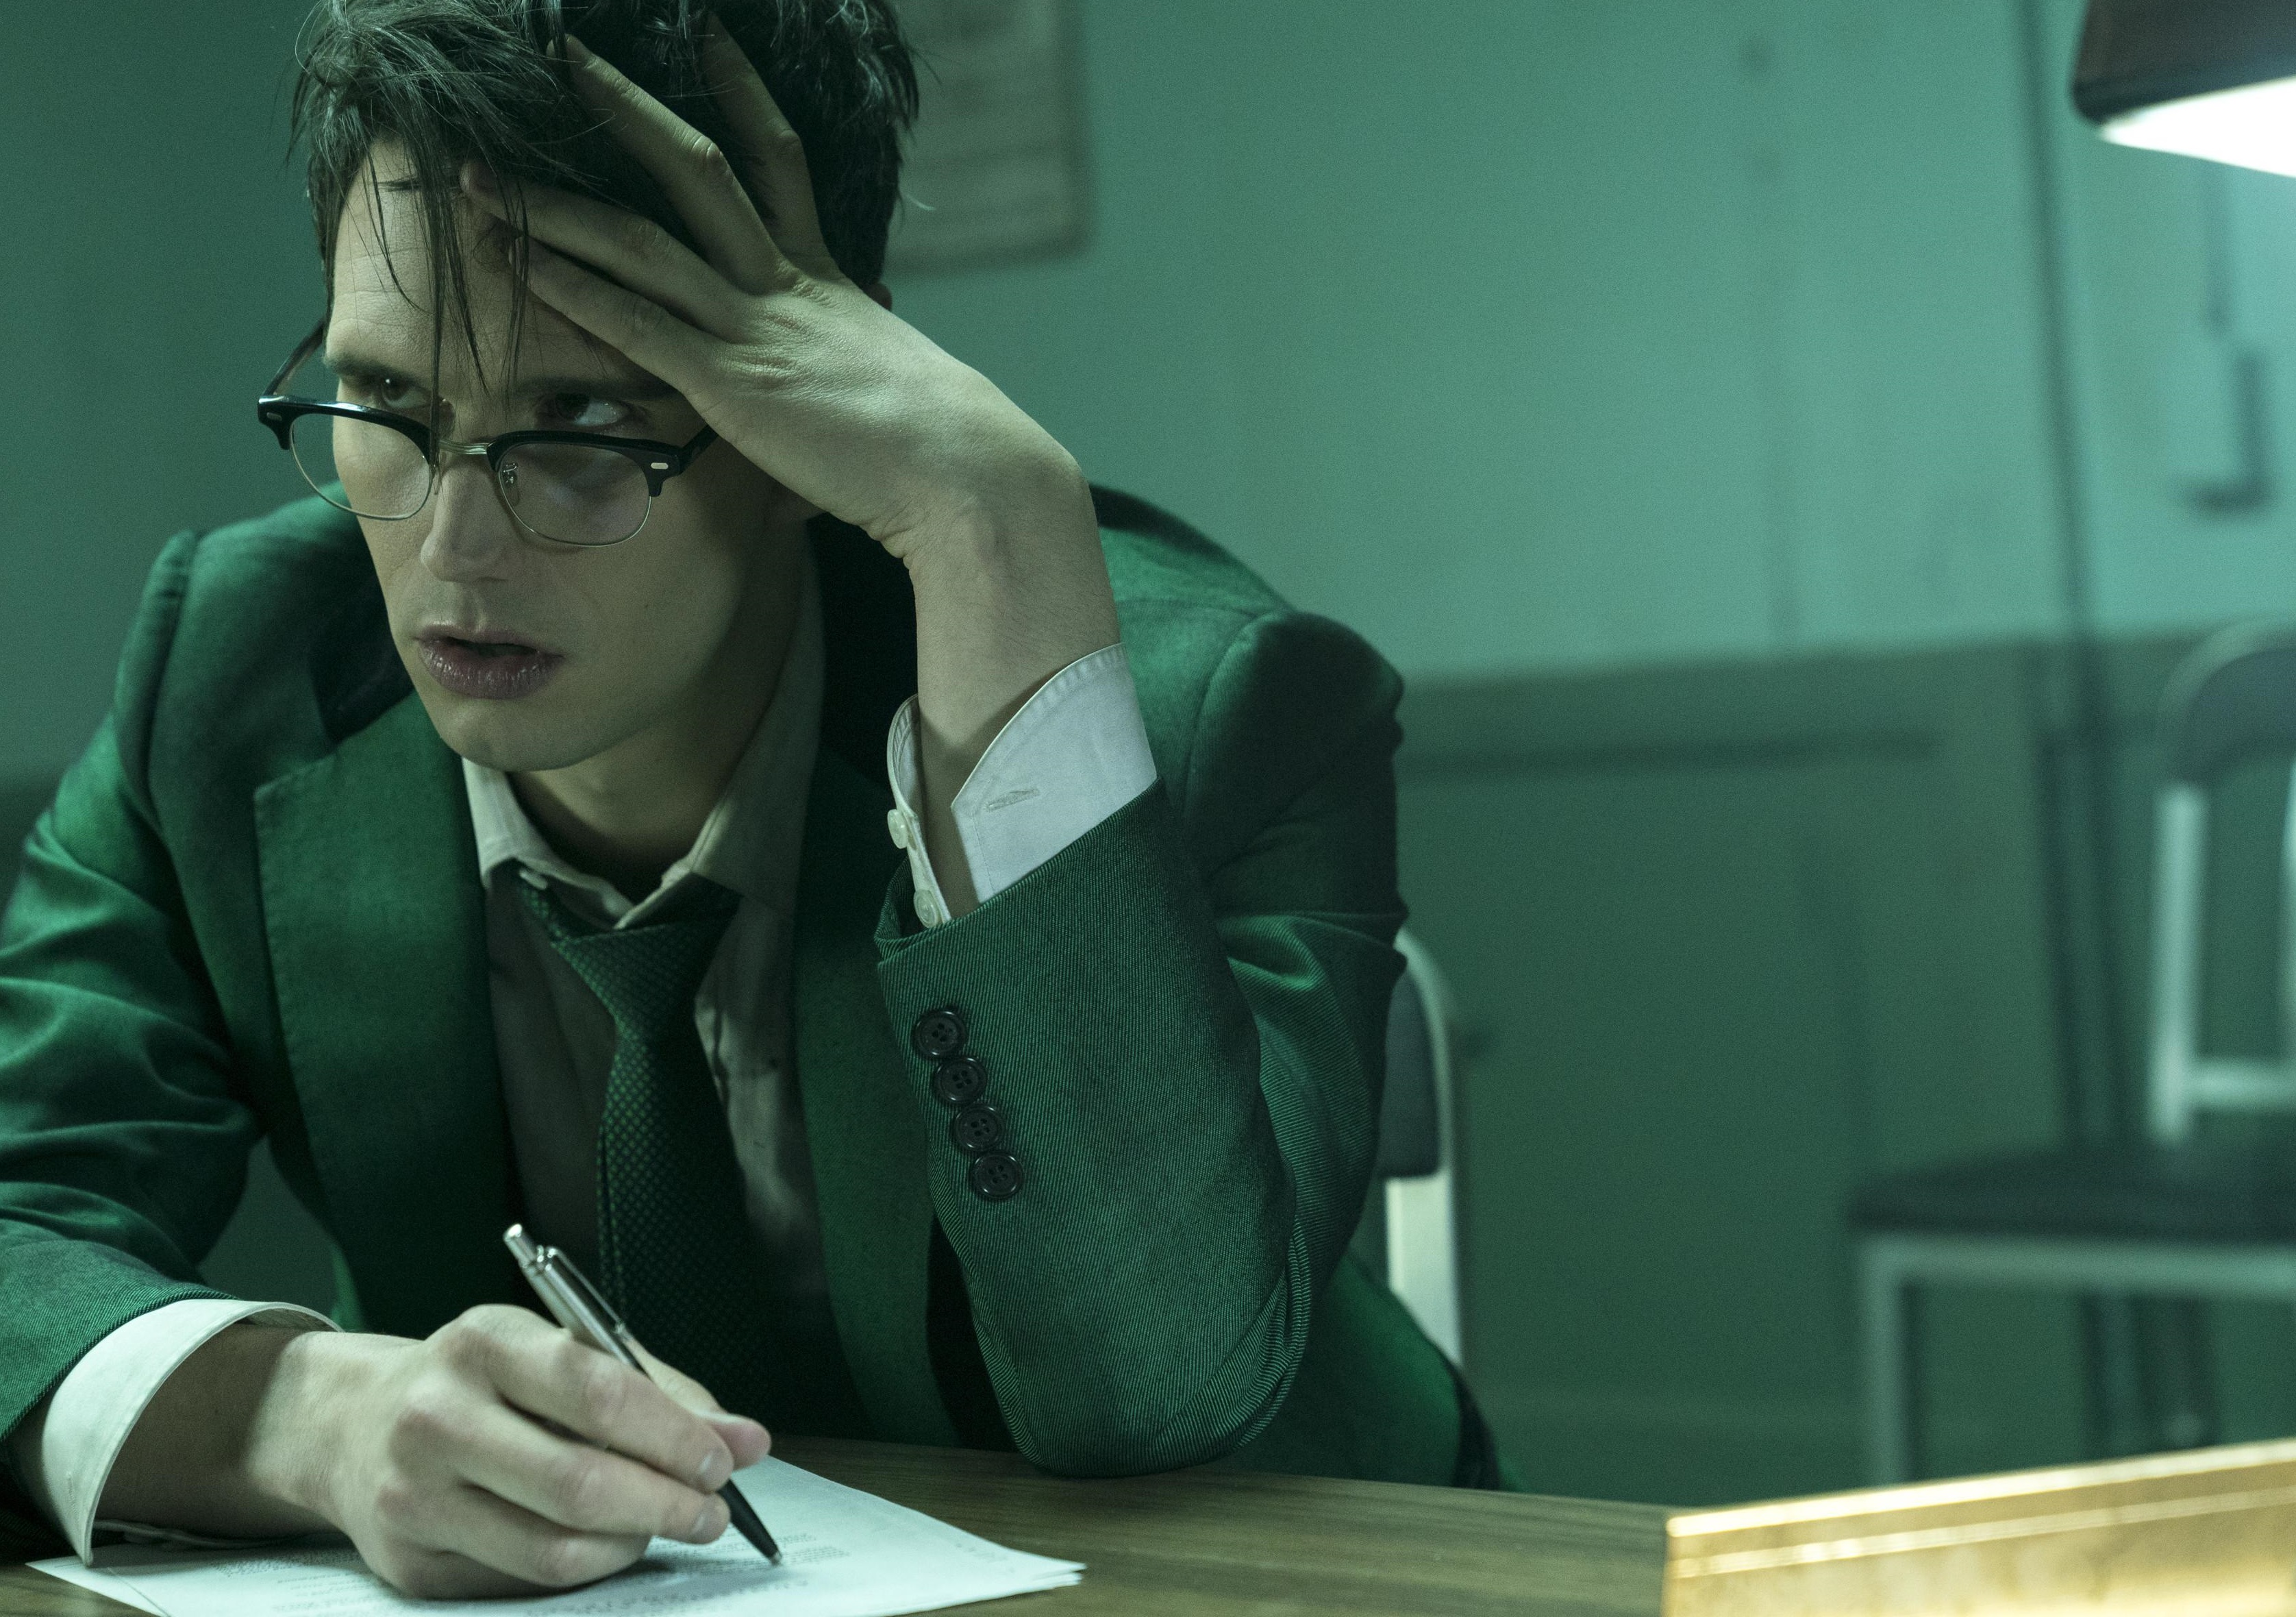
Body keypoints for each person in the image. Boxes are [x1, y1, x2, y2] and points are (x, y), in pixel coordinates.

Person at [0, 0, 1500, 1596]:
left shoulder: (1206, 710)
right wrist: (301, 1414)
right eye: (388, 407)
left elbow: (1155, 1383)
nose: (453, 549)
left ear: (804, 420)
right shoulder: (236, 674)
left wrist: (995, 517)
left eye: (580, 426)